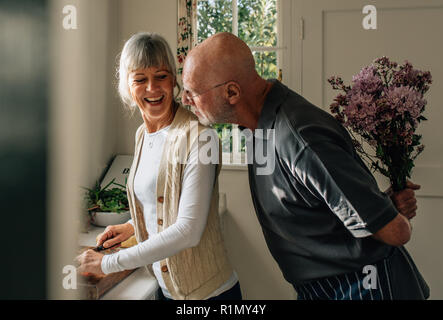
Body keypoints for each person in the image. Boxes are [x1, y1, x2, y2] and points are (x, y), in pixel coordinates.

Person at [181, 32, 429, 300]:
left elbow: (396, 231)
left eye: (192, 92)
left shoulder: (299, 137)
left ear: (232, 92)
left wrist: (388, 213)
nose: (185, 100)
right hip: (323, 289)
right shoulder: (257, 126)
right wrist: (384, 204)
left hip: (364, 287)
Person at [76, 32, 241, 300]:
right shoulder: (143, 134)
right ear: (127, 86)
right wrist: (132, 226)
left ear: (174, 79)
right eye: (140, 79)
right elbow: (163, 202)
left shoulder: (200, 138)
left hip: (208, 295)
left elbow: (188, 230)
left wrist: (106, 264)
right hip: (167, 289)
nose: (152, 88)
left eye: (161, 76)